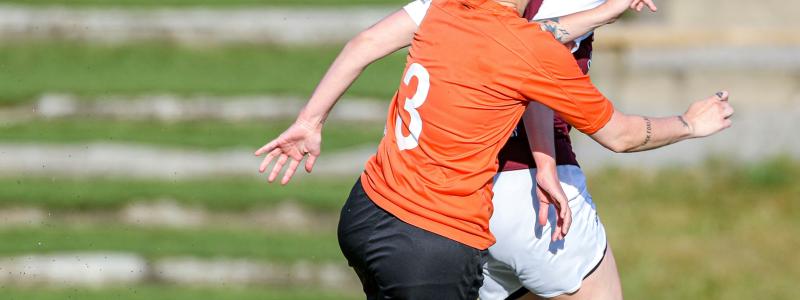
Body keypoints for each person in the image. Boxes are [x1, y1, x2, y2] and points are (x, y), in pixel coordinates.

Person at [255, 0, 735, 298]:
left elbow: (367, 42)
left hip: (366, 211)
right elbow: (621, 134)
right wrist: (690, 124)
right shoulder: (532, 49)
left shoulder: (445, 9)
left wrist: (309, 121)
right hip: (433, 242)